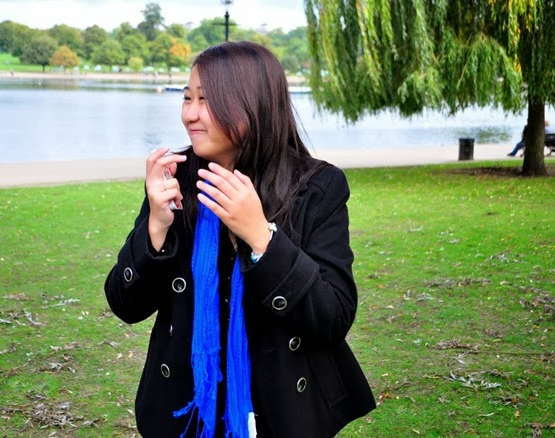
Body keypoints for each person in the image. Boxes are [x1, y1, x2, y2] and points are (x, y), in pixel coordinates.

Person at [104, 41, 375, 438]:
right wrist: (156, 228)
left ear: (253, 103)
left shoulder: (316, 187)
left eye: (206, 100)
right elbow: (125, 305)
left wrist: (262, 238)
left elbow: (332, 319)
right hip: (184, 415)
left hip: (278, 414)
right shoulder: (177, 180)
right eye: (187, 98)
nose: (190, 114)